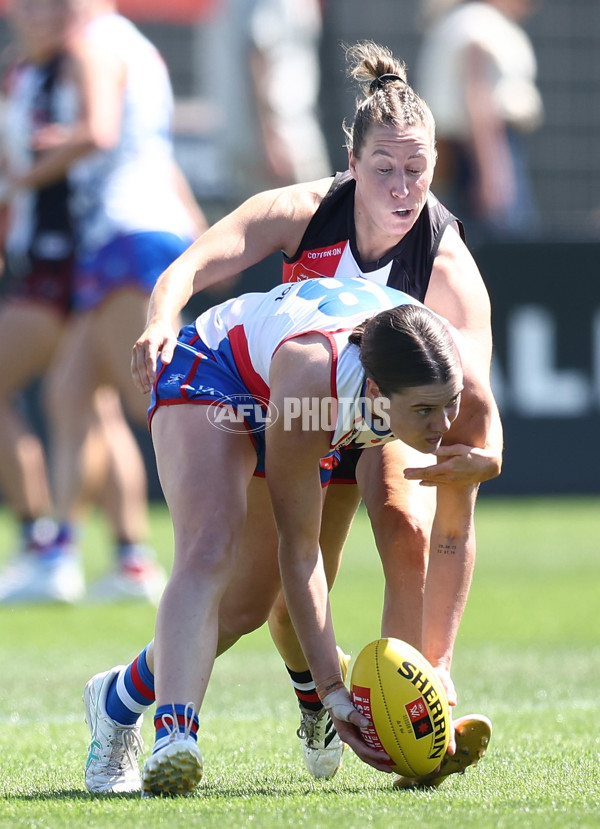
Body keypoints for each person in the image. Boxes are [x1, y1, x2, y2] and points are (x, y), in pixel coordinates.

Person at [86, 38, 501, 792]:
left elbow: (473, 403)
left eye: (417, 170)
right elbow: (193, 263)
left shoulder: (447, 265)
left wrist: (488, 455)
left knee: (404, 527)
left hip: (373, 397)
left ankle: (421, 706)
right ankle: (166, 706)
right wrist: (161, 318)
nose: (403, 188)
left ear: (437, 164)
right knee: (249, 595)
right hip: (267, 385)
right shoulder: (305, 212)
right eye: (384, 168)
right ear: (352, 163)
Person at [83, 275, 491, 797]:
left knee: (245, 609)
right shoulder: (312, 384)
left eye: (449, 404)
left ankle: (115, 700)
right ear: (375, 392)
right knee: (209, 545)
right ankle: (174, 735)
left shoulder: (453, 378)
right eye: (424, 412)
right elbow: (299, 553)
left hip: (299, 395)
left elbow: (455, 523)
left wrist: (437, 667)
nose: (442, 425)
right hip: (219, 368)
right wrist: (333, 690)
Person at [0, 0, 208, 603]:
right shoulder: (130, 43)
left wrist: (23, 175)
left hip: (126, 234)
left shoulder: (94, 44)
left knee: (161, 402)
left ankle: (227, 536)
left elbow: (99, 131)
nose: (44, 11)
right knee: (72, 392)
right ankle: (70, 556)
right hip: (126, 235)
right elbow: (147, 148)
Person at [414, 0, 544, 245]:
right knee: (509, 242)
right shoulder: (479, 23)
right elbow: (478, 99)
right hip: (484, 152)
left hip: (467, 153)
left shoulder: (461, 20)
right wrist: (491, 174)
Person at [199, 0, 331, 200]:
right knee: (318, 210)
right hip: (284, 137)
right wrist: (271, 139)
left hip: (265, 135)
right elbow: (259, 56)